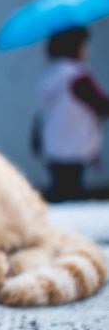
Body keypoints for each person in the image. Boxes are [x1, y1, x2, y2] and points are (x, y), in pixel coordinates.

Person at [38, 26, 109, 202]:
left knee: (60, 189)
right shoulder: (77, 76)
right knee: (72, 195)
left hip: (53, 144)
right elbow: (100, 104)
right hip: (73, 144)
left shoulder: (51, 74)